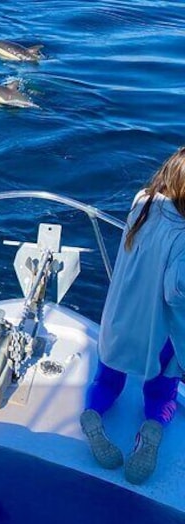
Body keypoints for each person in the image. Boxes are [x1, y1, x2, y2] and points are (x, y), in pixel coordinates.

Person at [81, 147, 185, 484]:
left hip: (119, 317)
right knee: (161, 390)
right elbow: (176, 294)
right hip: (160, 333)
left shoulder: (143, 201)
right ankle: (152, 428)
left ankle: (93, 415)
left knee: (107, 378)